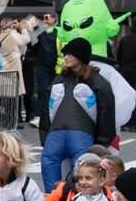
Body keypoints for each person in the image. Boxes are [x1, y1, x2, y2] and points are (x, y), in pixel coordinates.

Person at [40, 38, 119, 192]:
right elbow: (45, 108)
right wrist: (102, 141)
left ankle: (69, 198)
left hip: (65, 133)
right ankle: (56, 198)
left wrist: (102, 141)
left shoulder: (91, 80)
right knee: (75, 167)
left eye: (70, 54)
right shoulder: (65, 79)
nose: (66, 57)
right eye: (65, 54)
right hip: (73, 134)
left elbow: (106, 110)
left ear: (81, 56)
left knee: (80, 171)